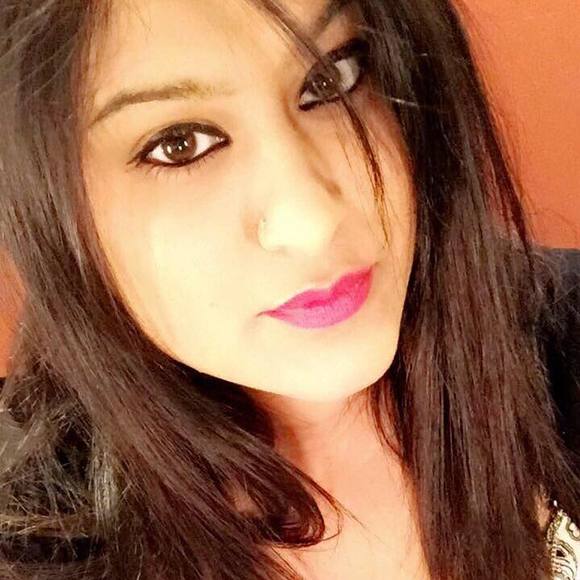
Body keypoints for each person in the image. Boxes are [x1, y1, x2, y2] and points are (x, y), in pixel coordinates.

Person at [0, 1, 578, 578]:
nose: (311, 220)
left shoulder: (565, 337)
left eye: (332, 77)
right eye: (180, 144)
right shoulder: (34, 545)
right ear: (47, 210)